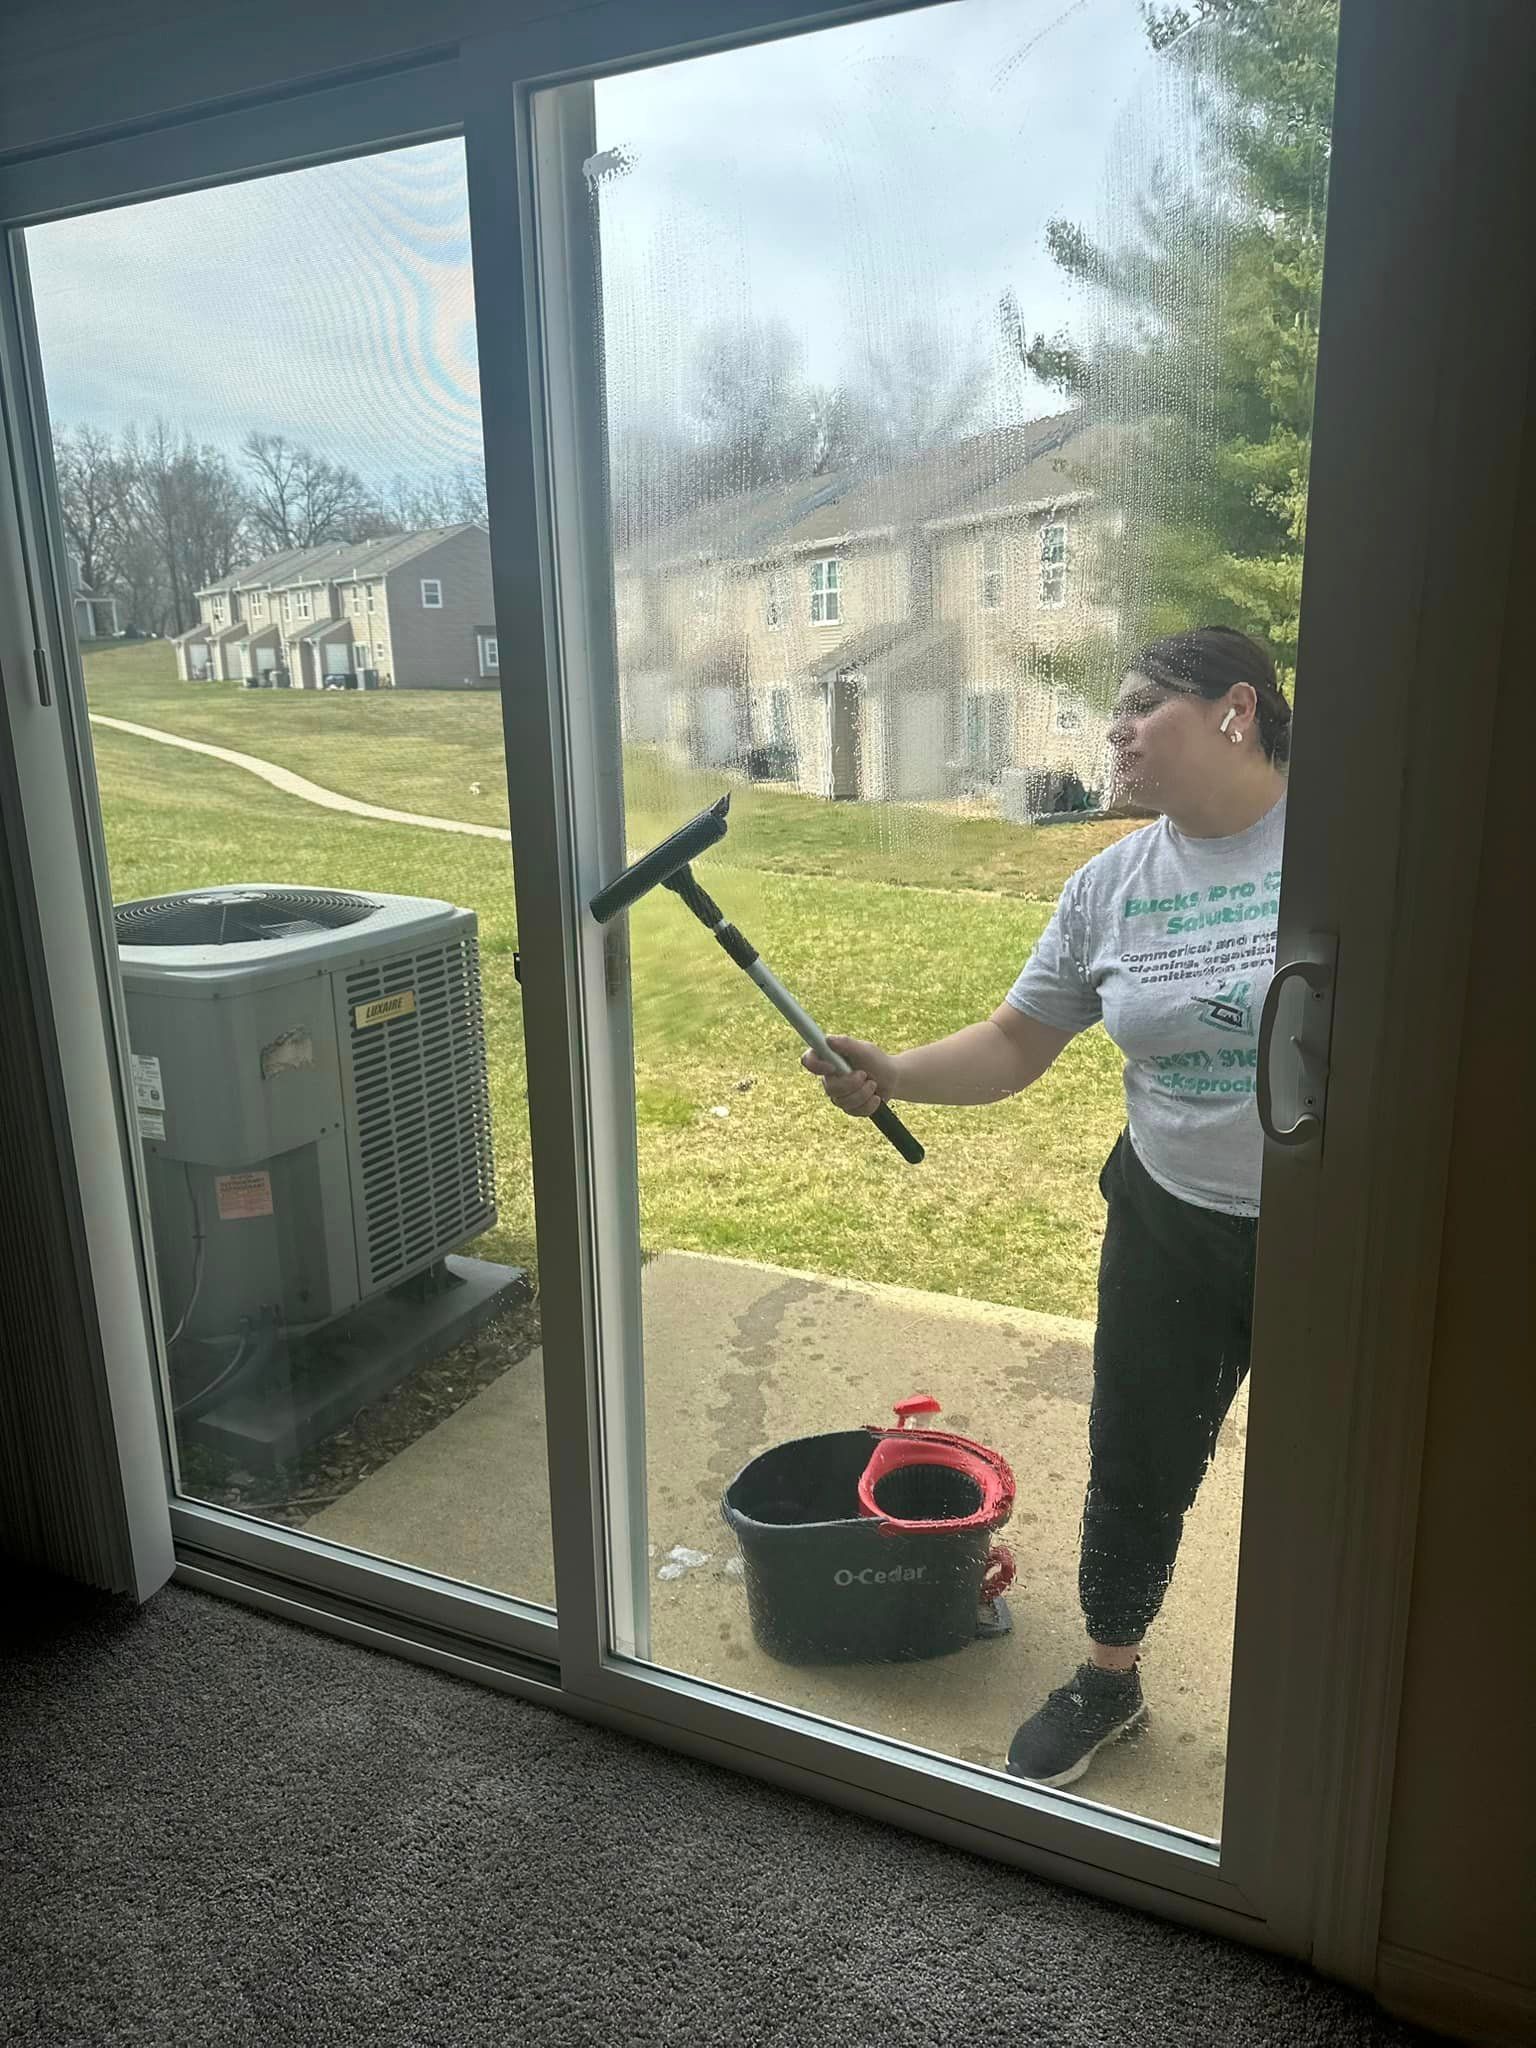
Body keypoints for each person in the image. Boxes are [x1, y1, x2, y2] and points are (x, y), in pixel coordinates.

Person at [804, 625, 1292, 1790]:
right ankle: (1109, 1676)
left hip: (1344, 1227)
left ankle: (1348, 1705)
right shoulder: (1112, 885)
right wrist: (896, 1072)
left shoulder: (1355, 843)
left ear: (1236, 710)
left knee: (1351, 1475)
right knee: (1137, 1459)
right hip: (1171, 1216)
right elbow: (1017, 1042)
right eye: (1112, 711)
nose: (1115, 731)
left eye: (1142, 705)